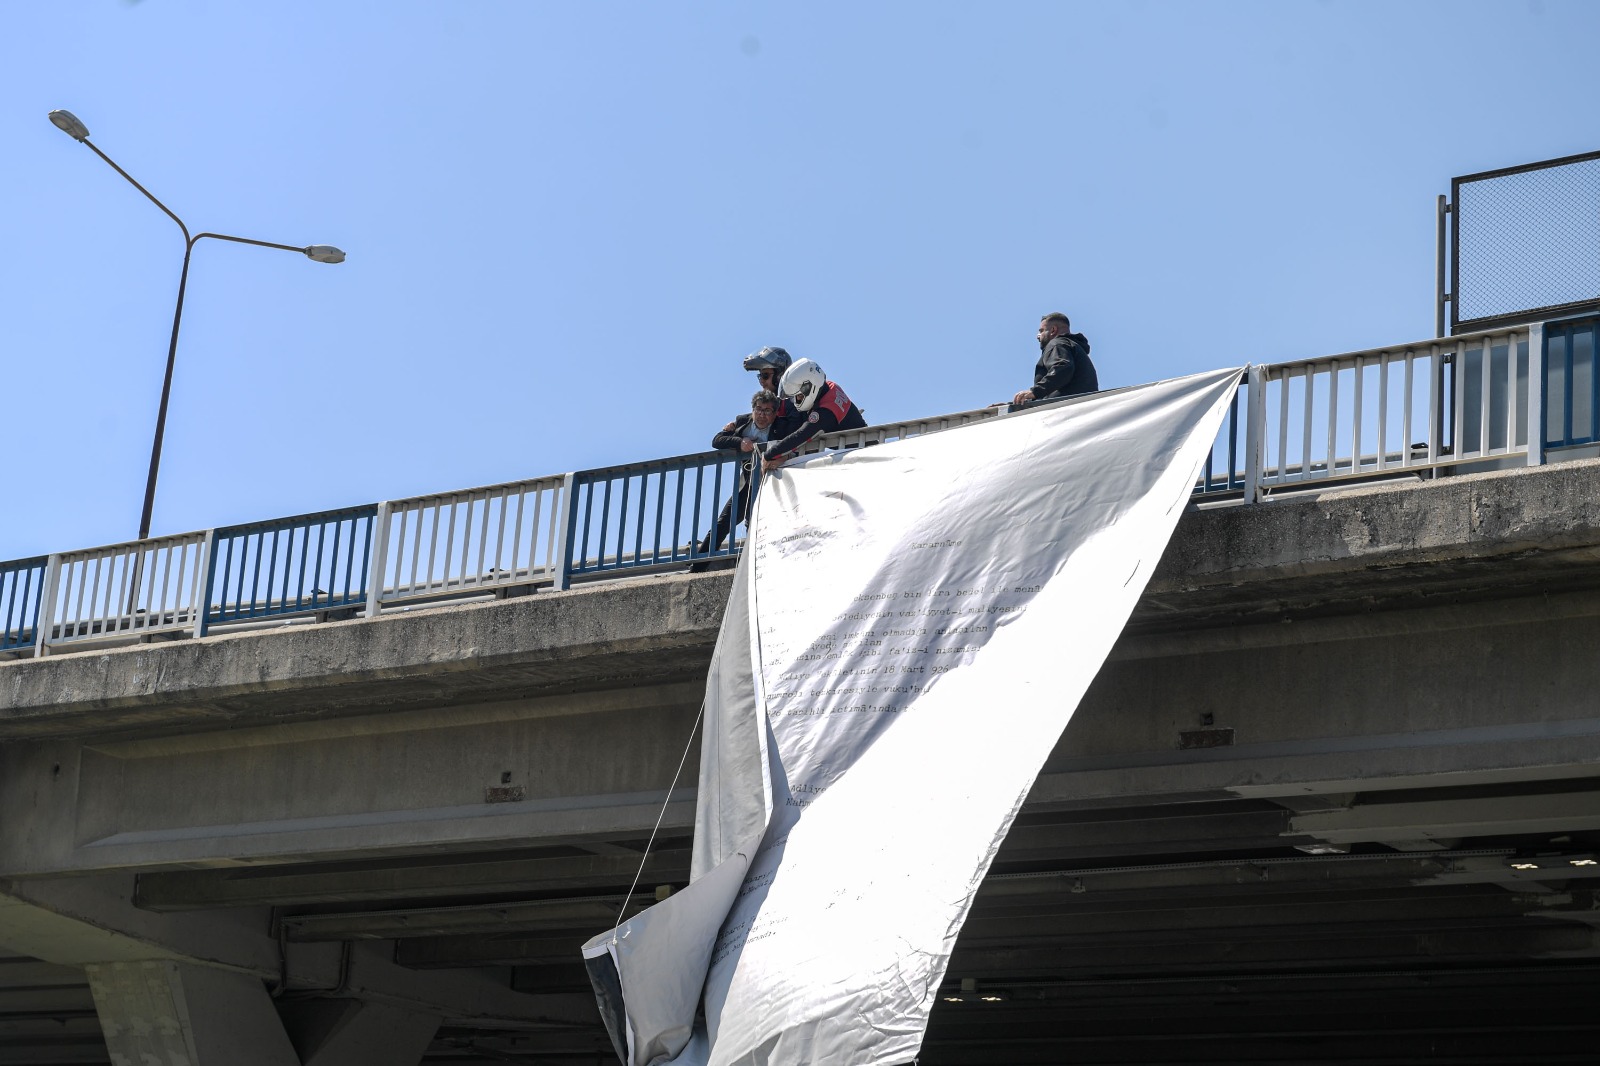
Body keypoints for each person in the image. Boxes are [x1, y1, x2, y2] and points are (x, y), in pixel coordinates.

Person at [688, 390, 780, 572]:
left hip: (772, 483)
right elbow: (717, 440)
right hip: (748, 483)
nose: (761, 414)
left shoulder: (781, 425)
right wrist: (739, 442)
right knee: (723, 523)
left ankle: (757, 567)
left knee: (756, 523)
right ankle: (697, 567)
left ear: (775, 414)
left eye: (767, 411)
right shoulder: (742, 421)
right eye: (758, 409)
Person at [762, 358, 867, 473]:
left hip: (861, 460)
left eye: (799, 396)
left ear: (810, 387)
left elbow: (802, 435)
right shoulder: (829, 386)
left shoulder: (826, 411)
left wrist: (769, 455)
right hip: (856, 455)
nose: (796, 400)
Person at [1012, 312, 1098, 407]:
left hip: (1063, 411)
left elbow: (1063, 369)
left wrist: (1036, 391)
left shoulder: (1057, 344)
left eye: (1041, 331)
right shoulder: (1074, 348)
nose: (1038, 336)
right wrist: (1013, 405)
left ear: (1053, 330)